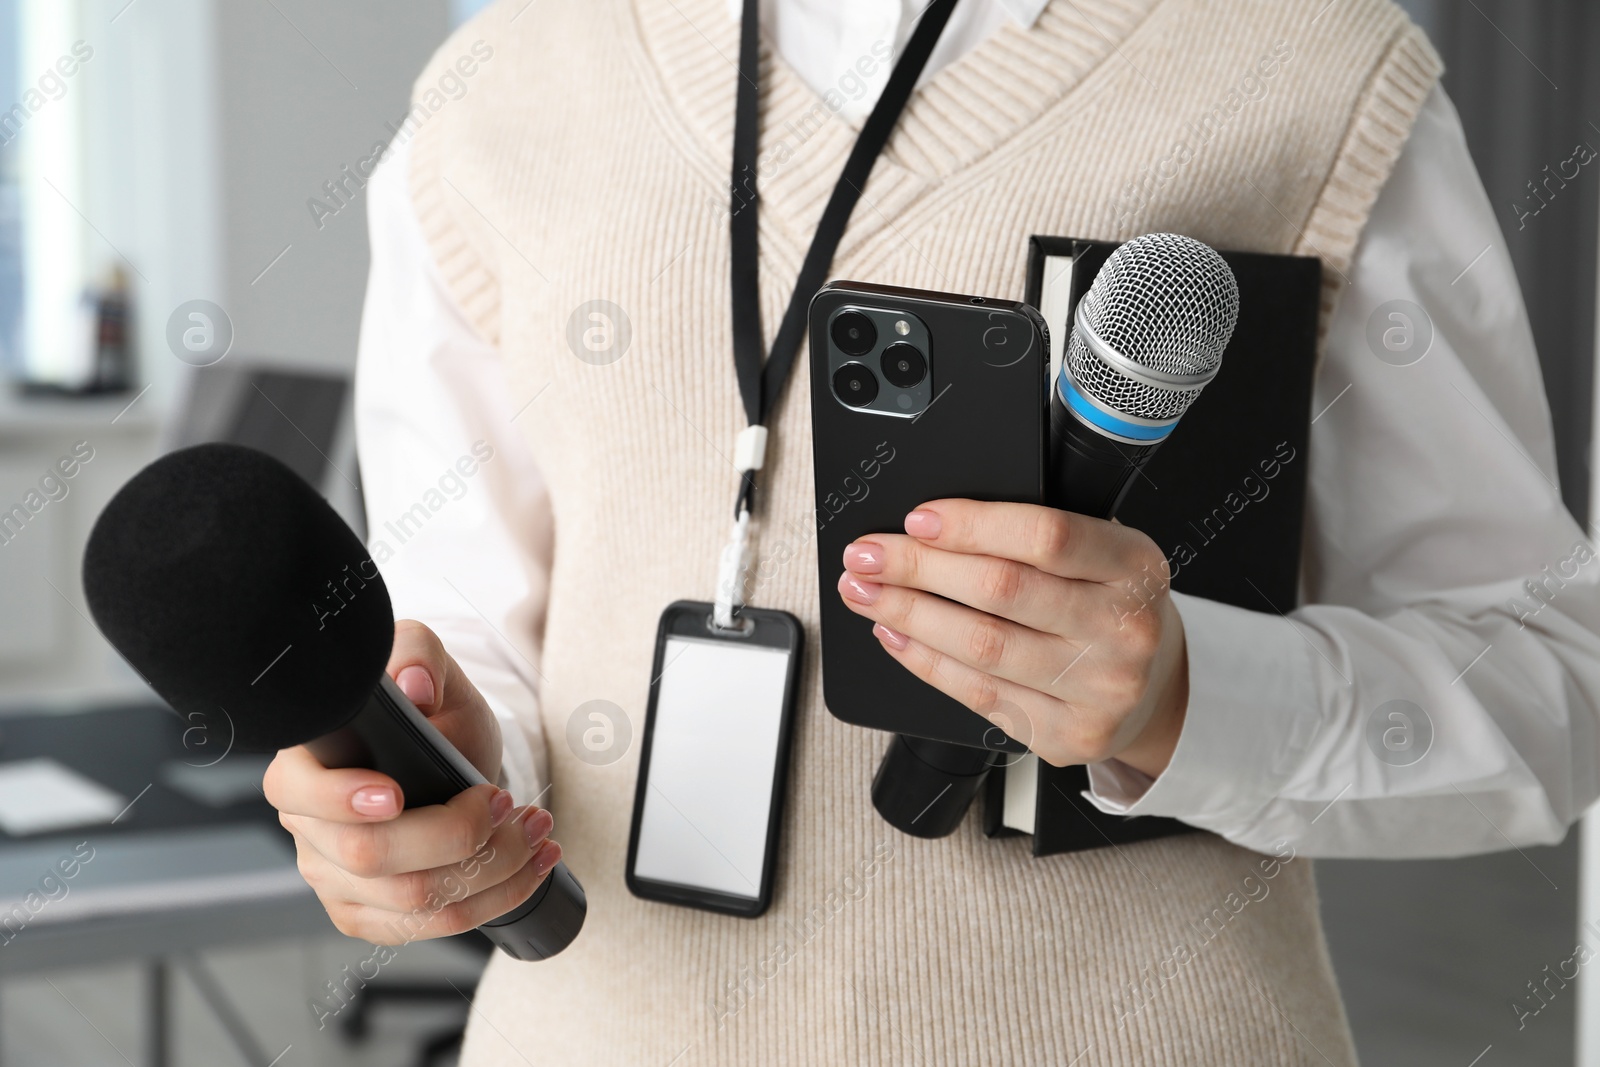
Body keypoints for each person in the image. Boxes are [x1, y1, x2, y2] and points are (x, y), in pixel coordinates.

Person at [263, 0, 1600, 1062]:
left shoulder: (1316, 66)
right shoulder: (491, 99)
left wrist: (1189, 698)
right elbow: (473, 642)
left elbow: (1552, 686)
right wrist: (434, 784)